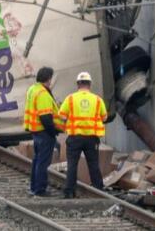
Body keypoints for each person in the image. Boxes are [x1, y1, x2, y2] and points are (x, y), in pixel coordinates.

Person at [56, 71, 110, 197]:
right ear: (89, 84)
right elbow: (105, 118)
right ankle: (98, 190)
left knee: (72, 165)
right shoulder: (97, 100)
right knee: (93, 165)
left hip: (75, 137)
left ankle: (69, 192)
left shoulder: (70, 98)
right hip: (92, 138)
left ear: (78, 84)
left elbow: (62, 116)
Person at [22, 67, 58, 197]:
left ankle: (33, 187)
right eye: (51, 78)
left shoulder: (33, 89)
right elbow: (46, 117)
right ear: (48, 79)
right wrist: (53, 132)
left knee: (37, 160)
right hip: (44, 132)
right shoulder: (42, 93)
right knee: (43, 162)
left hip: (35, 131)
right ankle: (40, 189)